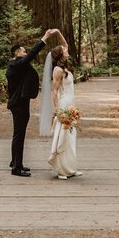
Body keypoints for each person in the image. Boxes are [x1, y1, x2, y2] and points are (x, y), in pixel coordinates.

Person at [6, 28, 55, 177]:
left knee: (19, 134)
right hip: (18, 104)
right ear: (17, 53)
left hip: (21, 102)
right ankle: (16, 168)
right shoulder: (16, 64)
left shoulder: (18, 65)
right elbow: (32, 55)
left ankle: (16, 162)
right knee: (19, 135)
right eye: (23, 51)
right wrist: (44, 38)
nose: (26, 53)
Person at [39, 29, 82, 180]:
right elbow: (54, 91)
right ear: (60, 54)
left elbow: (65, 43)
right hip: (64, 104)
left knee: (71, 136)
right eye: (64, 50)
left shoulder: (65, 66)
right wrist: (57, 110)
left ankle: (71, 168)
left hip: (71, 103)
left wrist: (57, 32)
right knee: (63, 136)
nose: (66, 49)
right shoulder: (57, 70)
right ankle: (62, 170)